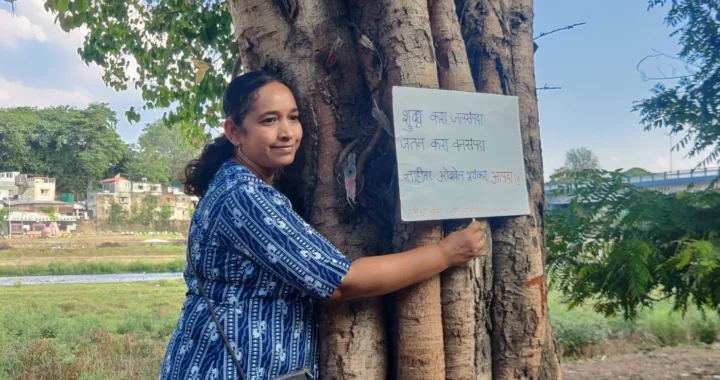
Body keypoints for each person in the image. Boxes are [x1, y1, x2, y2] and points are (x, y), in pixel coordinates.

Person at [159, 71, 486, 380]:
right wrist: (446, 253)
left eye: (294, 116)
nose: (287, 132)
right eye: (269, 120)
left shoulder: (236, 184)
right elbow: (342, 282)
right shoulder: (245, 196)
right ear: (234, 132)